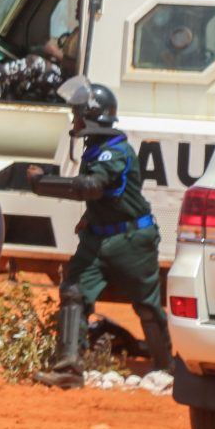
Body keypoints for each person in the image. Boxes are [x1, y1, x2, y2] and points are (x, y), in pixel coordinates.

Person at [28, 79, 172, 389]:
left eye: (78, 113)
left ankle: (167, 368)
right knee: (73, 292)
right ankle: (68, 366)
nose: (74, 119)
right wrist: (90, 219)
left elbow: (93, 187)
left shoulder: (114, 150)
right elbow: (106, 197)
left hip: (131, 241)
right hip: (98, 237)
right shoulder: (94, 148)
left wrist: (42, 184)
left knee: (146, 306)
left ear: (94, 116)